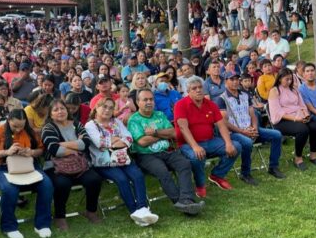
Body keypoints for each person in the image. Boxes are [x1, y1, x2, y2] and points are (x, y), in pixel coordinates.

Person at [127, 89, 204, 215]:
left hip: (165, 151)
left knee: (184, 164)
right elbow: (142, 141)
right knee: (162, 171)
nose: (149, 102)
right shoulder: (134, 120)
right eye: (145, 100)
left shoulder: (160, 115)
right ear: (137, 102)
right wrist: (163, 134)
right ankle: (180, 202)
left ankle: (186, 200)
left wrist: (155, 132)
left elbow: (174, 133)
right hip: (145, 156)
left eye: (151, 99)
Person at [85, 98, 159, 226]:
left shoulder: (117, 121)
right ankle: (134, 211)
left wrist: (113, 141)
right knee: (122, 179)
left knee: (137, 175)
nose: (107, 110)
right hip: (104, 163)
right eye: (104, 107)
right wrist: (118, 139)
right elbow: (99, 143)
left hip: (122, 158)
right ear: (96, 108)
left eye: (110, 107)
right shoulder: (90, 125)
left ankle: (143, 209)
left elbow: (129, 138)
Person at [0, 108, 53, 238]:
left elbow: (40, 150)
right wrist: (6, 152)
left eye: (21, 126)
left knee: (47, 185)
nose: (18, 129)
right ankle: (9, 227)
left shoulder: (29, 132)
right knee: (10, 189)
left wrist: (31, 152)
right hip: (3, 168)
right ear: (8, 120)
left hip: (29, 167)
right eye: (15, 126)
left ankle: (42, 224)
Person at [41, 98, 103, 230]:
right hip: (55, 166)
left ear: (67, 110)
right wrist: (75, 147)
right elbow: (55, 150)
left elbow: (85, 143)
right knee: (63, 183)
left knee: (94, 179)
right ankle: (60, 216)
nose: (60, 112)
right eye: (56, 110)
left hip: (79, 163)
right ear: (50, 114)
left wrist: (63, 144)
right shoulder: (48, 128)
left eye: (62, 108)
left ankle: (90, 211)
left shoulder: (76, 124)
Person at [173, 77, 240, 198]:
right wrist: (195, 146)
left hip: (210, 141)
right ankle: (200, 185)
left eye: (200, 87)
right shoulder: (180, 105)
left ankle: (217, 175)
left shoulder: (210, 104)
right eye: (194, 88)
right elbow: (183, 128)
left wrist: (229, 143)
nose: (198, 90)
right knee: (196, 156)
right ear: (188, 91)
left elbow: (221, 125)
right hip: (187, 144)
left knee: (236, 146)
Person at [219, 74, 285, 180]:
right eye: (232, 79)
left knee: (276, 135)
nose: (235, 82)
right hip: (234, 133)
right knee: (247, 142)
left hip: (250, 129)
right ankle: (245, 173)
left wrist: (254, 128)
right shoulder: (221, 99)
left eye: (237, 79)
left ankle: (273, 167)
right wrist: (243, 132)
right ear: (225, 81)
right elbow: (224, 122)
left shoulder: (245, 95)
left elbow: (252, 114)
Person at [267, 68, 316, 170]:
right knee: (303, 130)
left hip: (299, 117)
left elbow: (302, 105)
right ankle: (298, 158)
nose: (289, 81)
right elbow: (277, 113)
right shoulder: (274, 91)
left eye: (291, 79)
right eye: (287, 79)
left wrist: (306, 115)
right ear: (280, 79)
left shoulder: (294, 90)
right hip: (282, 120)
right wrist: (296, 119)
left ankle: (313, 155)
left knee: (315, 126)